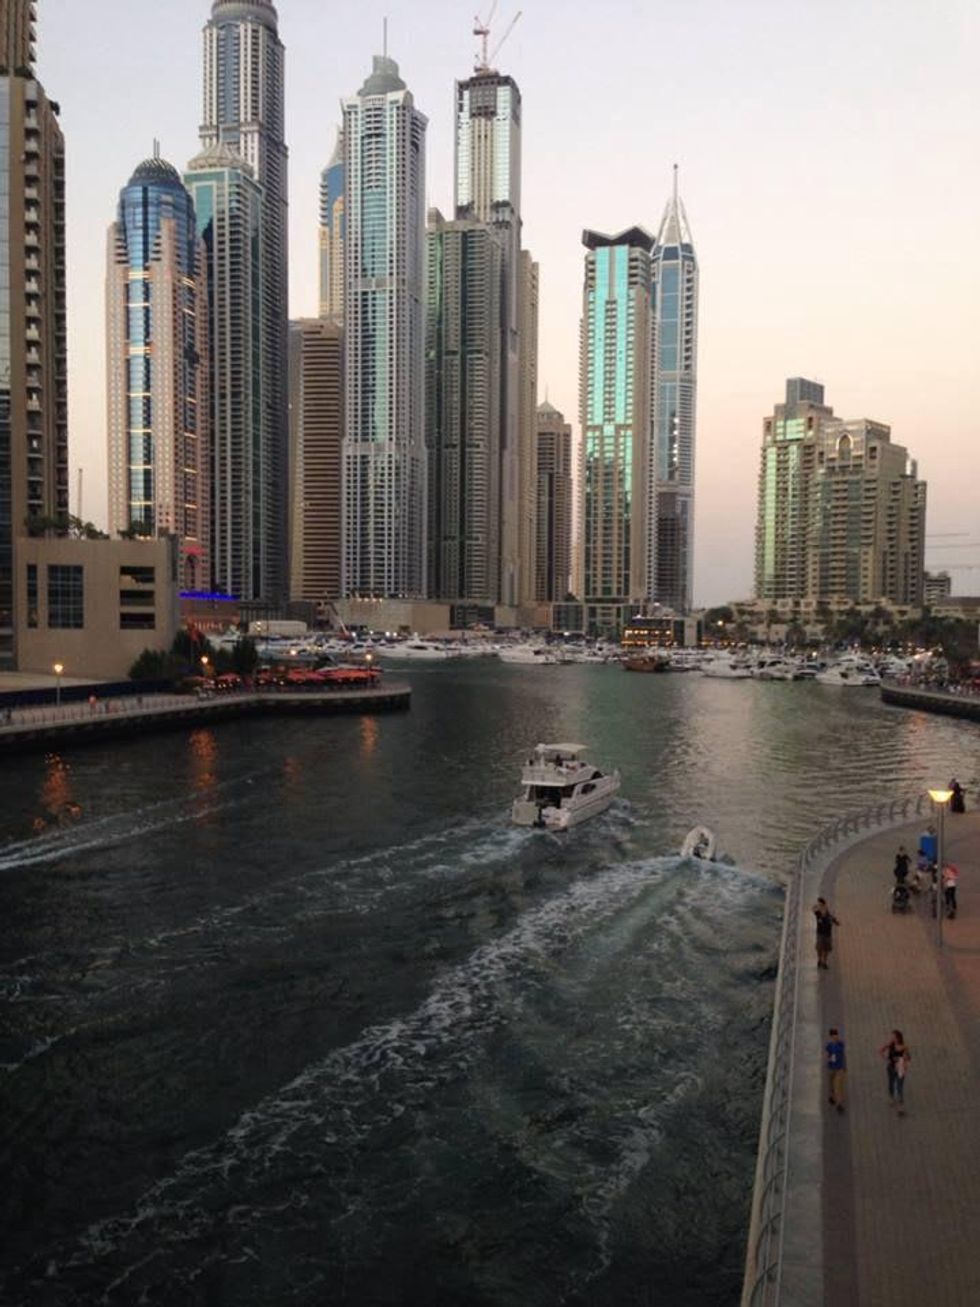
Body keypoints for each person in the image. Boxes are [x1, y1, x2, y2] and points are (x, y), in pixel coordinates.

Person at [879, 1030, 911, 1115]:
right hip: (891, 1068)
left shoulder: (904, 1047)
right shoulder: (891, 1045)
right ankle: (892, 1097)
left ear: (898, 1038)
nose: (892, 1038)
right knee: (891, 1084)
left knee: (899, 1088)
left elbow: (908, 1058)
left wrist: (903, 1060)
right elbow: (881, 1050)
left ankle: (900, 1107)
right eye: (892, 1037)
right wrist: (886, 1059)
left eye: (894, 1037)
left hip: (900, 1069)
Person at [813, 898, 840, 969]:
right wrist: (818, 907)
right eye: (820, 906)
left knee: (826, 949)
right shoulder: (818, 914)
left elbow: (835, 921)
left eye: (822, 906)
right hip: (820, 934)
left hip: (827, 934)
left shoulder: (829, 916)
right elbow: (813, 909)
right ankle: (819, 960)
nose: (821, 907)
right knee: (819, 948)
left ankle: (824, 962)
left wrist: (836, 922)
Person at [826, 1028, 846, 1113]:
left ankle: (839, 1104)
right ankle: (832, 1097)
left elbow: (843, 1055)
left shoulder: (840, 1044)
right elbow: (828, 1055)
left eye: (836, 1035)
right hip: (831, 1068)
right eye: (834, 1035)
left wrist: (844, 1066)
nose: (836, 1037)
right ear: (831, 1036)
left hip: (839, 1069)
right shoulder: (829, 1045)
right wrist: (829, 1059)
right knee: (831, 1084)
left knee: (838, 1086)